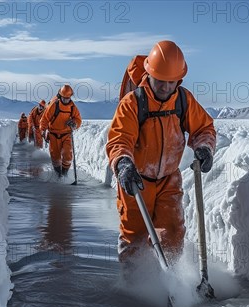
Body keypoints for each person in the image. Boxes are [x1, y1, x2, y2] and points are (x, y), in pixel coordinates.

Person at [105, 40, 216, 266]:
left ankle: (169, 284)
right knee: (134, 236)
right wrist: (123, 163)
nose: (165, 88)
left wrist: (204, 147)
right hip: (136, 182)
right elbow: (120, 138)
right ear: (149, 74)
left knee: (172, 233)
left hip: (168, 180)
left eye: (171, 82)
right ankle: (134, 286)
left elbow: (203, 128)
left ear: (179, 80)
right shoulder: (133, 103)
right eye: (160, 82)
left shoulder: (183, 100)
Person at [40, 84, 82, 177]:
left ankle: (64, 174)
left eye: (68, 98)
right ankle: (58, 174)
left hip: (66, 134)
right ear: (60, 96)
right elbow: (45, 119)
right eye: (64, 98)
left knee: (68, 155)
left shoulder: (72, 107)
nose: (66, 100)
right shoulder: (53, 105)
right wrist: (43, 131)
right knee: (55, 157)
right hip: (53, 134)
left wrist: (74, 123)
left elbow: (78, 119)